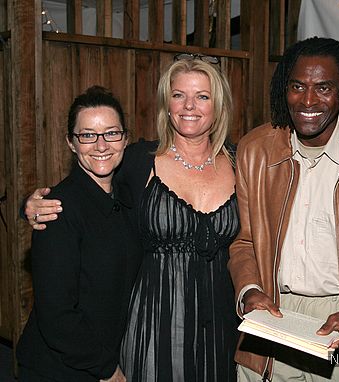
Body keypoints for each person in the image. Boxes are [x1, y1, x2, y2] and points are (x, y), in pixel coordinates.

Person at [22, 55, 240, 381]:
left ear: (218, 105)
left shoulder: (241, 162)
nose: (188, 105)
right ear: (167, 103)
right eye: (178, 95)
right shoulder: (138, 161)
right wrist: (31, 204)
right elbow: (88, 185)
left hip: (219, 319)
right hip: (155, 321)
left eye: (202, 96)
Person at [228, 37, 339, 382]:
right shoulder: (255, 151)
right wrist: (249, 290)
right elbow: (245, 243)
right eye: (297, 86)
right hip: (272, 317)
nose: (308, 100)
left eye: (323, 88)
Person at [16, 86, 142, 381]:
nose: (101, 145)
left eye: (111, 133)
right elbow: (57, 316)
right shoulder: (56, 210)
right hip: (62, 368)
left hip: (103, 355)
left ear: (125, 139)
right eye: (87, 135)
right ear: (71, 143)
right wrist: (107, 370)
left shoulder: (127, 196)